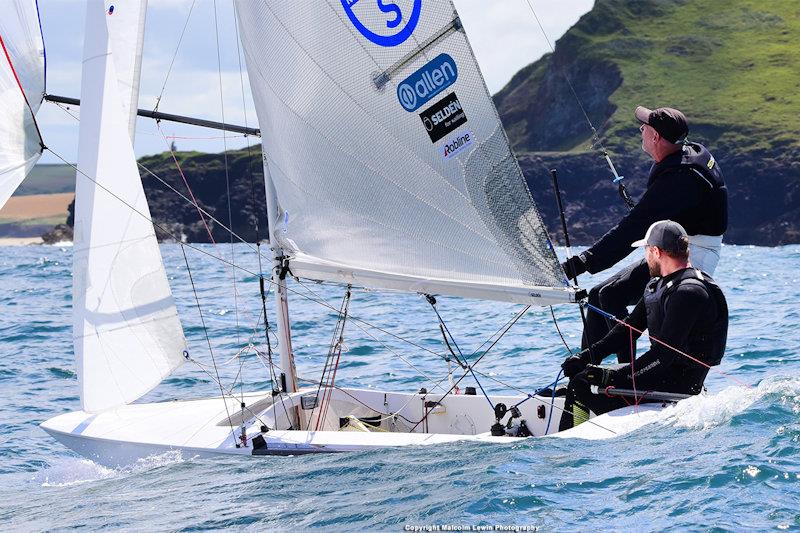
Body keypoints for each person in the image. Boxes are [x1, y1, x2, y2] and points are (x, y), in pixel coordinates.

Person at [561, 106, 727, 363]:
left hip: (693, 254)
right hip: (674, 244)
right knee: (600, 296)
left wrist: (580, 264)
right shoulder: (684, 156)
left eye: (645, 126)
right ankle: (589, 375)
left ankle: (626, 381)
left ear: (657, 137)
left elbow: (632, 229)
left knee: (620, 300)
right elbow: (667, 209)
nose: (641, 129)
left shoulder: (679, 179)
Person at [558, 220, 728, 431]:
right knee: (584, 374)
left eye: (646, 251)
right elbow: (628, 330)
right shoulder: (657, 285)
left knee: (580, 386)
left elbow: (663, 355)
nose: (645, 257)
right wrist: (586, 357)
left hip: (678, 386)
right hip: (659, 376)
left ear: (656, 251)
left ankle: (570, 444)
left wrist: (614, 376)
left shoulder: (689, 292)